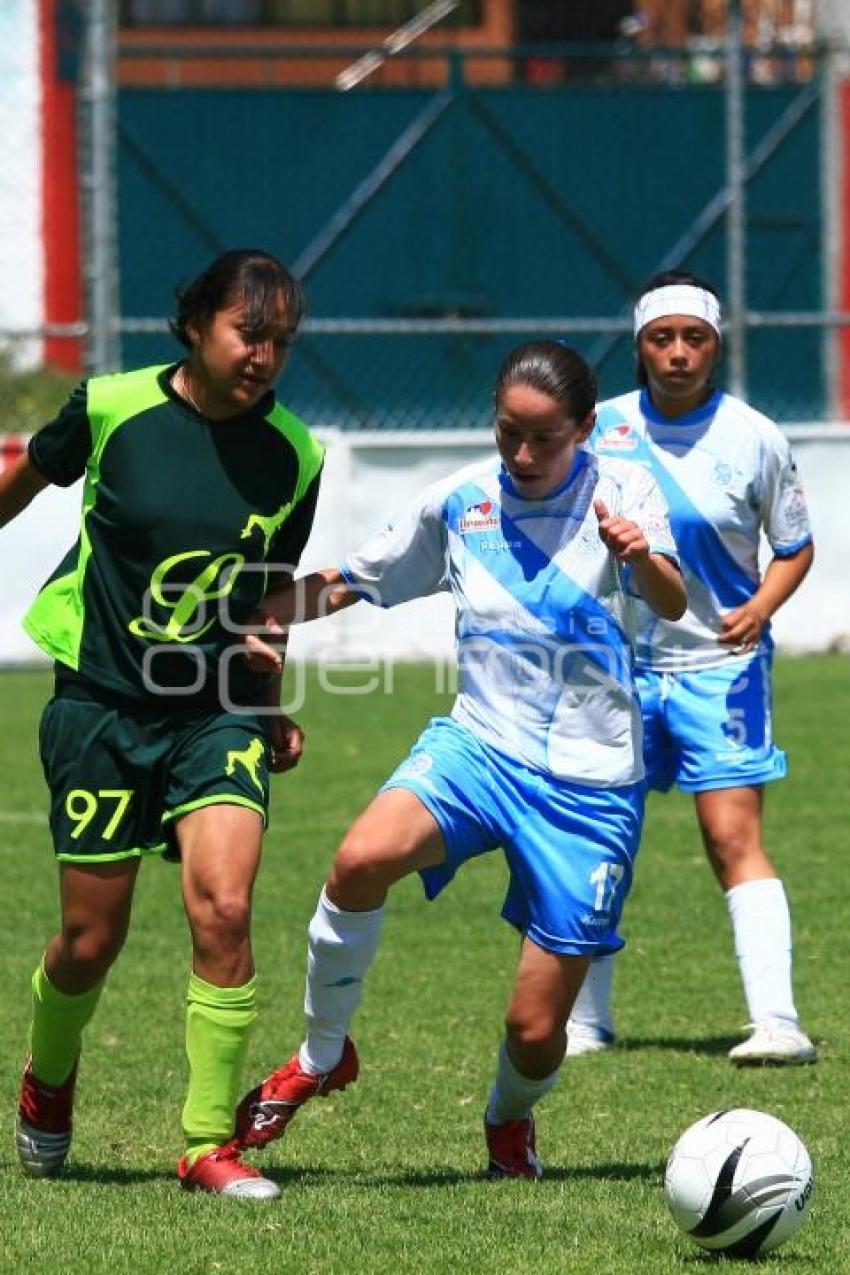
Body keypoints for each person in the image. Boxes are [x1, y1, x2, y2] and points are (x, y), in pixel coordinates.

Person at [226, 340, 686, 1178]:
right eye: (509, 431)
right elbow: (356, 579)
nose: (522, 454)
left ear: (586, 428)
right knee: (360, 858)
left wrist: (639, 556)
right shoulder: (463, 500)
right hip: (478, 747)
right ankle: (321, 1053)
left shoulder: (625, 494)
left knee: (535, 1031)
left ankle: (508, 1119)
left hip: (591, 786)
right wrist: (257, 611)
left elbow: (671, 598)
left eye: (545, 438)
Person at [0, 249, 325, 1198]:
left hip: (212, 710)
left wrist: (268, 709)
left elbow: (265, 600)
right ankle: (46, 1082)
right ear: (196, 324)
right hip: (99, 704)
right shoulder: (111, 407)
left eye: (280, 341)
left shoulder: (294, 454)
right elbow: (31, 477)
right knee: (89, 942)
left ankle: (204, 1145)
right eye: (247, 332)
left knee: (224, 906)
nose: (263, 354)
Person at [567, 270, 817, 1066]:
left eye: (695, 338)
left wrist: (763, 605)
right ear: (640, 347)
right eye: (661, 338)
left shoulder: (755, 436)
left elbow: (795, 542)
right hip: (616, 671)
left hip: (721, 665)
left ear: (717, 346)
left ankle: (777, 1021)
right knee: (599, 834)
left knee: (730, 835)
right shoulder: (595, 430)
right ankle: (584, 1022)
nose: (678, 354)